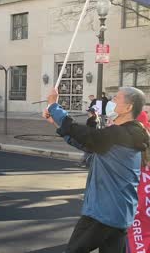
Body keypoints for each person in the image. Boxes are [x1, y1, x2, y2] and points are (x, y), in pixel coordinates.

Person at [44, 87, 149, 253]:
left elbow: (84, 134)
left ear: (128, 108)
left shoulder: (119, 134)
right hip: (121, 214)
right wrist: (58, 124)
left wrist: (53, 106)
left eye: (116, 99)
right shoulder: (128, 134)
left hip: (102, 213)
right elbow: (87, 143)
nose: (110, 102)